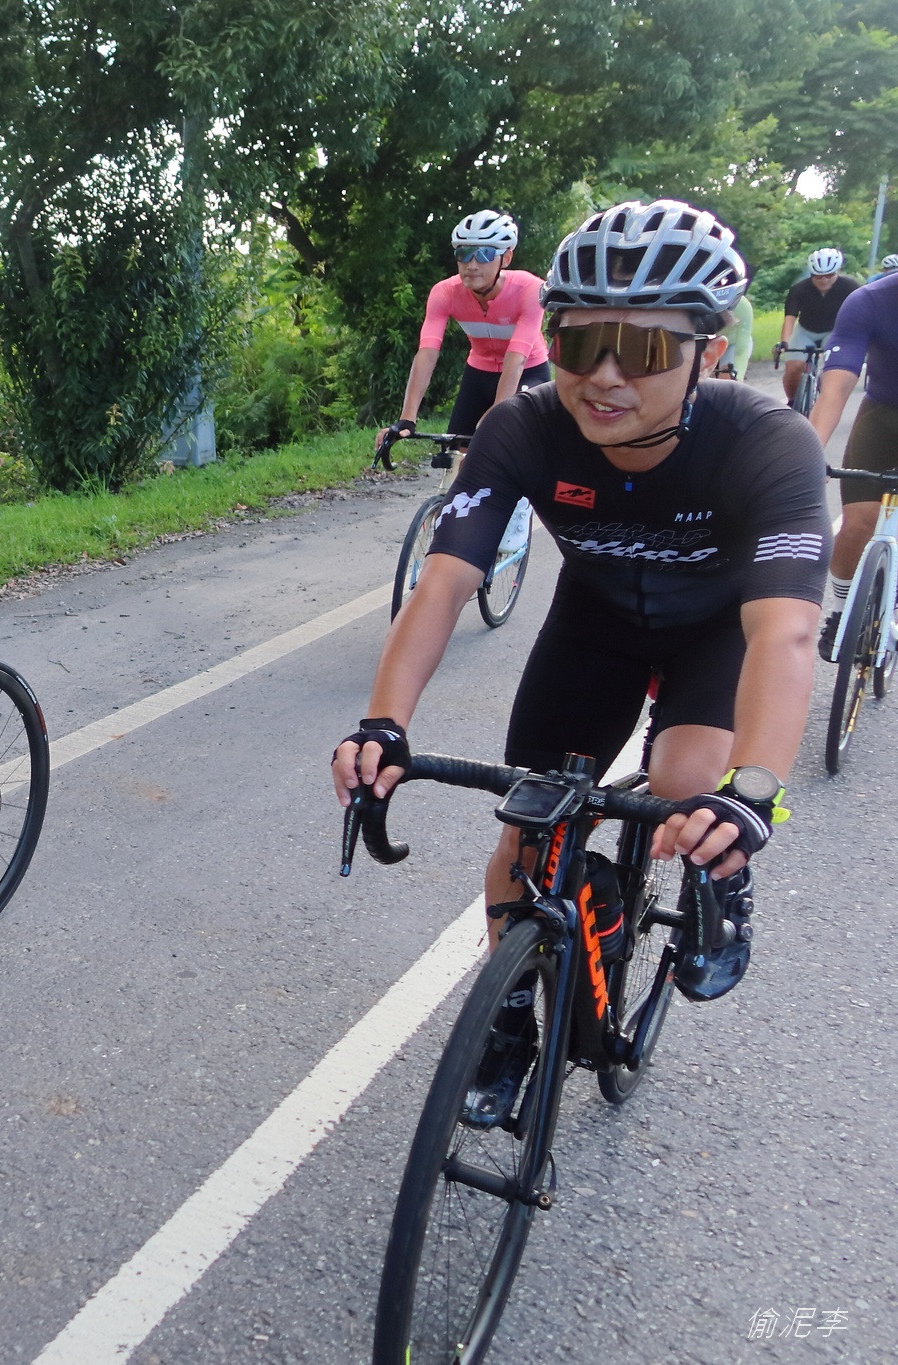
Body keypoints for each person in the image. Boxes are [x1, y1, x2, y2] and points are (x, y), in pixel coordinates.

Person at [333, 199, 827, 1128]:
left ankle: (721, 880)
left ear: (709, 355)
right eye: (578, 341)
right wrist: (383, 724)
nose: (602, 376)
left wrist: (753, 792)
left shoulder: (768, 443)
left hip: (716, 632)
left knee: (686, 785)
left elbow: (785, 634)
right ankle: (510, 1015)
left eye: (643, 350)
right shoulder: (522, 427)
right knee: (527, 832)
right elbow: (442, 584)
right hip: (595, 622)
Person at [381, 210, 553, 445]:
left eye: (484, 254)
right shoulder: (445, 292)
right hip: (478, 374)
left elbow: (516, 359)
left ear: (506, 258)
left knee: (507, 440)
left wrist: (497, 413)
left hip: (528, 372)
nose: (472, 265)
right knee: (456, 450)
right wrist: (407, 418)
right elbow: (427, 353)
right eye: (464, 254)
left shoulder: (530, 290)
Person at [806, 265, 898, 659]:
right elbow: (837, 385)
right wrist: (809, 451)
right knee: (859, 520)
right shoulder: (870, 300)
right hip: (884, 415)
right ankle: (844, 612)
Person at [778, 248, 861, 403]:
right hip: (805, 331)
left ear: (837, 272)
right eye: (818, 276)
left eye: (829, 275)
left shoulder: (850, 287)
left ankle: (826, 400)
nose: (824, 280)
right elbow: (790, 318)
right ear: (811, 274)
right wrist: (784, 342)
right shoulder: (799, 289)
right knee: (794, 367)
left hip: (834, 331)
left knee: (833, 370)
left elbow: (860, 315)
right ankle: (792, 402)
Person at [712, 292, 755, 380]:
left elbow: (740, 350)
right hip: (709, 342)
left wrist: (737, 377)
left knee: (727, 378)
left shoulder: (742, 306)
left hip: (734, 343)